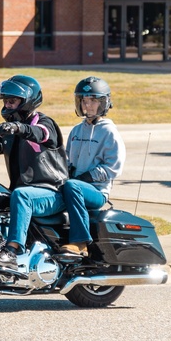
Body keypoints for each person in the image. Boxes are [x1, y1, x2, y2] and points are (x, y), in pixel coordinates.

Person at [0, 74, 73, 270]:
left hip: (52, 192)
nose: (7, 105)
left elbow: (41, 134)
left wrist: (17, 127)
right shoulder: (13, 133)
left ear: (27, 101)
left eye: (12, 101)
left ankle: (12, 251)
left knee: (21, 195)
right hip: (29, 192)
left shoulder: (44, 124)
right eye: (6, 101)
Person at [64, 77, 126, 258]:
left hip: (97, 191)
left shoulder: (109, 132)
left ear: (103, 103)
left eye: (93, 100)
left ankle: (80, 242)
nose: (87, 105)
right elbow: (67, 160)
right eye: (84, 100)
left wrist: (84, 178)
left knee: (71, 186)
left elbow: (113, 168)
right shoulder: (76, 130)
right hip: (74, 186)